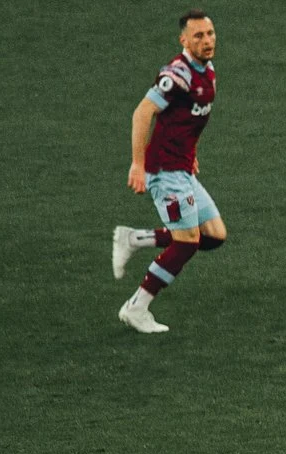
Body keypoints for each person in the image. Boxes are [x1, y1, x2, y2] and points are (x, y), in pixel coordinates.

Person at [112, 11, 227, 334]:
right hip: (165, 171)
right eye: (198, 36)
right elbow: (142, 113)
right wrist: (138, 164)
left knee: (214, 235)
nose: (207, 41)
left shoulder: (207, 70)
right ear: (184, 40)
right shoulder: (176, 75)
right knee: (187, 243)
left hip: (183, 167)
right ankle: (136, 307)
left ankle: (134, 238)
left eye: (210, 33)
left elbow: (189, 119)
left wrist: (192, 153)